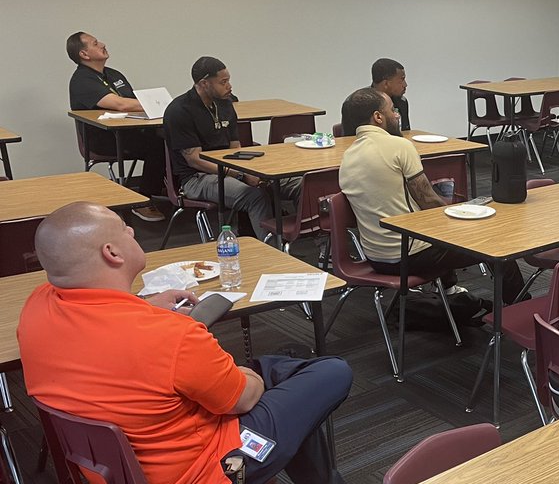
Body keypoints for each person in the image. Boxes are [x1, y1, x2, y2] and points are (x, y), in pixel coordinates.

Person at [17, 202, 364, 484]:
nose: (134, 230)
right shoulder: (170, 336)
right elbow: (242, 400)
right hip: (197, 483)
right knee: (330, 372)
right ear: (113, 253)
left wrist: (142, 306)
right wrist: (250, 379)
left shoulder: (37, 307)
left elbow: (99, 320)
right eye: (126, 230)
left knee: (290, 362)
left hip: (112, 482)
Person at [338, 87, 523, 301]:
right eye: (392, 110)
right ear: (378, 117)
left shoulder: (347, 158)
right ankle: (519, 306)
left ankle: (447, 290)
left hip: (374, 256)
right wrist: (463, 214)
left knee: (431, 228)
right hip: (409, 256)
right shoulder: (398, 146)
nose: (397, 114)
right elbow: (428, 202)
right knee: (495, 243)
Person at [163, 56, 298, 241]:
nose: (229, 86)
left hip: (230, 169)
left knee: (298, 183)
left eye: (228, 80)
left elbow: (235, 148)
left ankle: (321, 248)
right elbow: (194, 159)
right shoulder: (180, 110)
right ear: (204, 83)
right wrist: (241, 175)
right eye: (223, 82)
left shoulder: (225, 104)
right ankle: (273, 254)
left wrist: (255, 171)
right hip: (196, 178)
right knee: (255, 196)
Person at [66, 31, 165, 222]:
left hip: (130, 132)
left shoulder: (113, 74)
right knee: (157, 144)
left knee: (170, 137)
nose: (102, 44)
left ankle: (175, 189)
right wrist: (161, 104)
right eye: (95, 43)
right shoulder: (82, 80)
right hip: (104, 140)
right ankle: (142, 201)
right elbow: (121, 104)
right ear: (84, 55)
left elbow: (133, 101)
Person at [371, 58, 410, 131]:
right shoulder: (360, 103)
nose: (405, 85)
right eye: (402, 79)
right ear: (386, 83)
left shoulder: (402, 102)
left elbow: (406, 133)